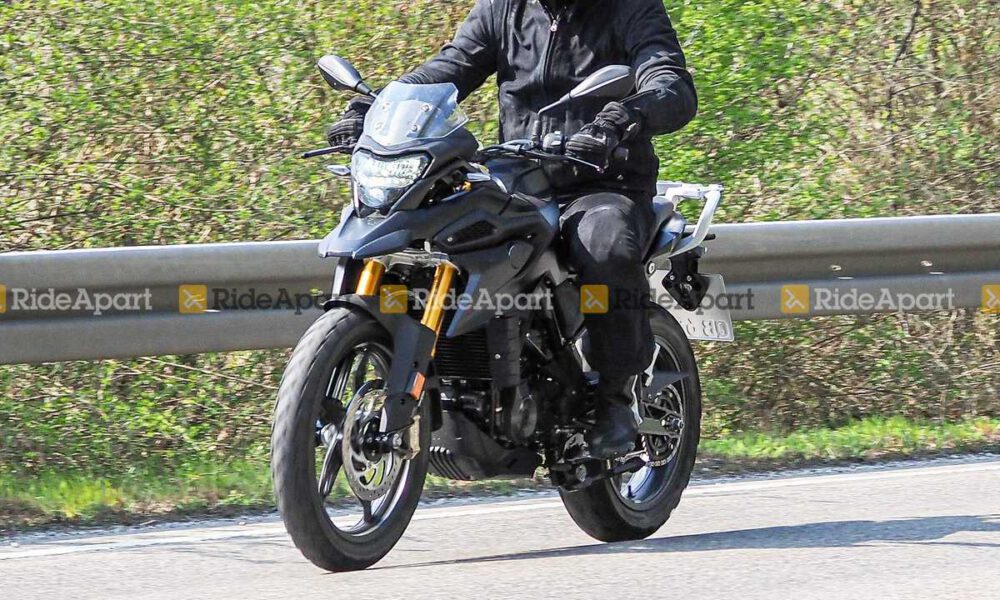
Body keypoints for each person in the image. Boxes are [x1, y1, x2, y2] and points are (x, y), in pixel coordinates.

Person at [327, 0, 697, 458]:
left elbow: (671, 84)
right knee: (438, 229)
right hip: (519, 177)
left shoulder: (628, 7)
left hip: (602, 182)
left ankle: (615, 396)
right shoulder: (504, 9)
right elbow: (449, 68)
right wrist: (377, 107)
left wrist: (620, 120)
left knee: (604, 246)